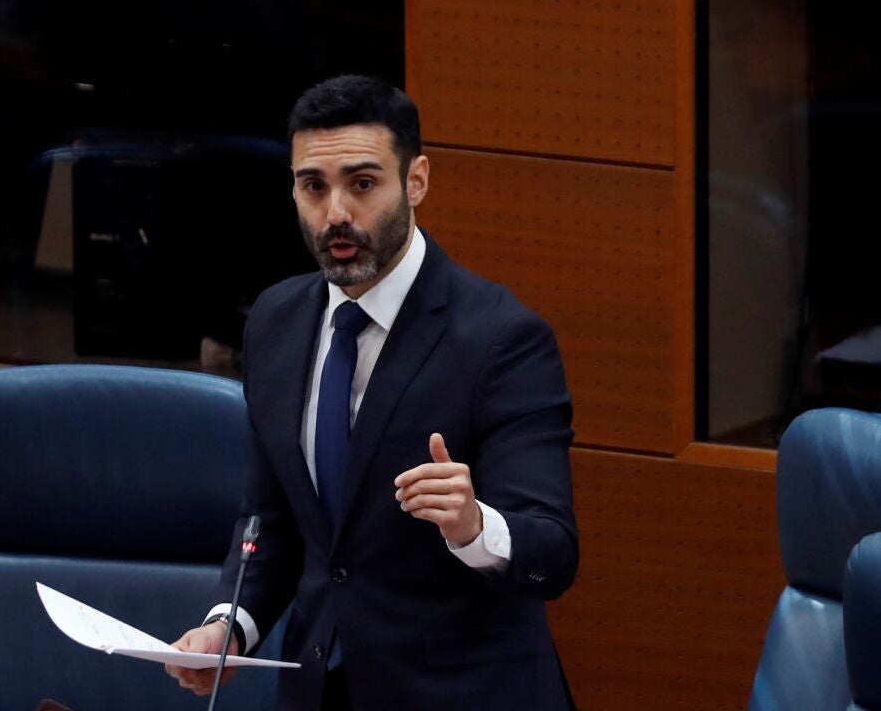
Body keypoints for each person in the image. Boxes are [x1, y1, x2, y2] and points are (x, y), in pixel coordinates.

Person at [165, 74, 578, 710]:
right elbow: (272, 519)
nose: (336, 213)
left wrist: (474, 526)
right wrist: (230, 624)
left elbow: (554, 552)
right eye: (313, 186)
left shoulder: (502, 339)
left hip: (460, 694)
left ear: (416, 181)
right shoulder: (276, 321)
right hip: (318, 689)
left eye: (362, 184)